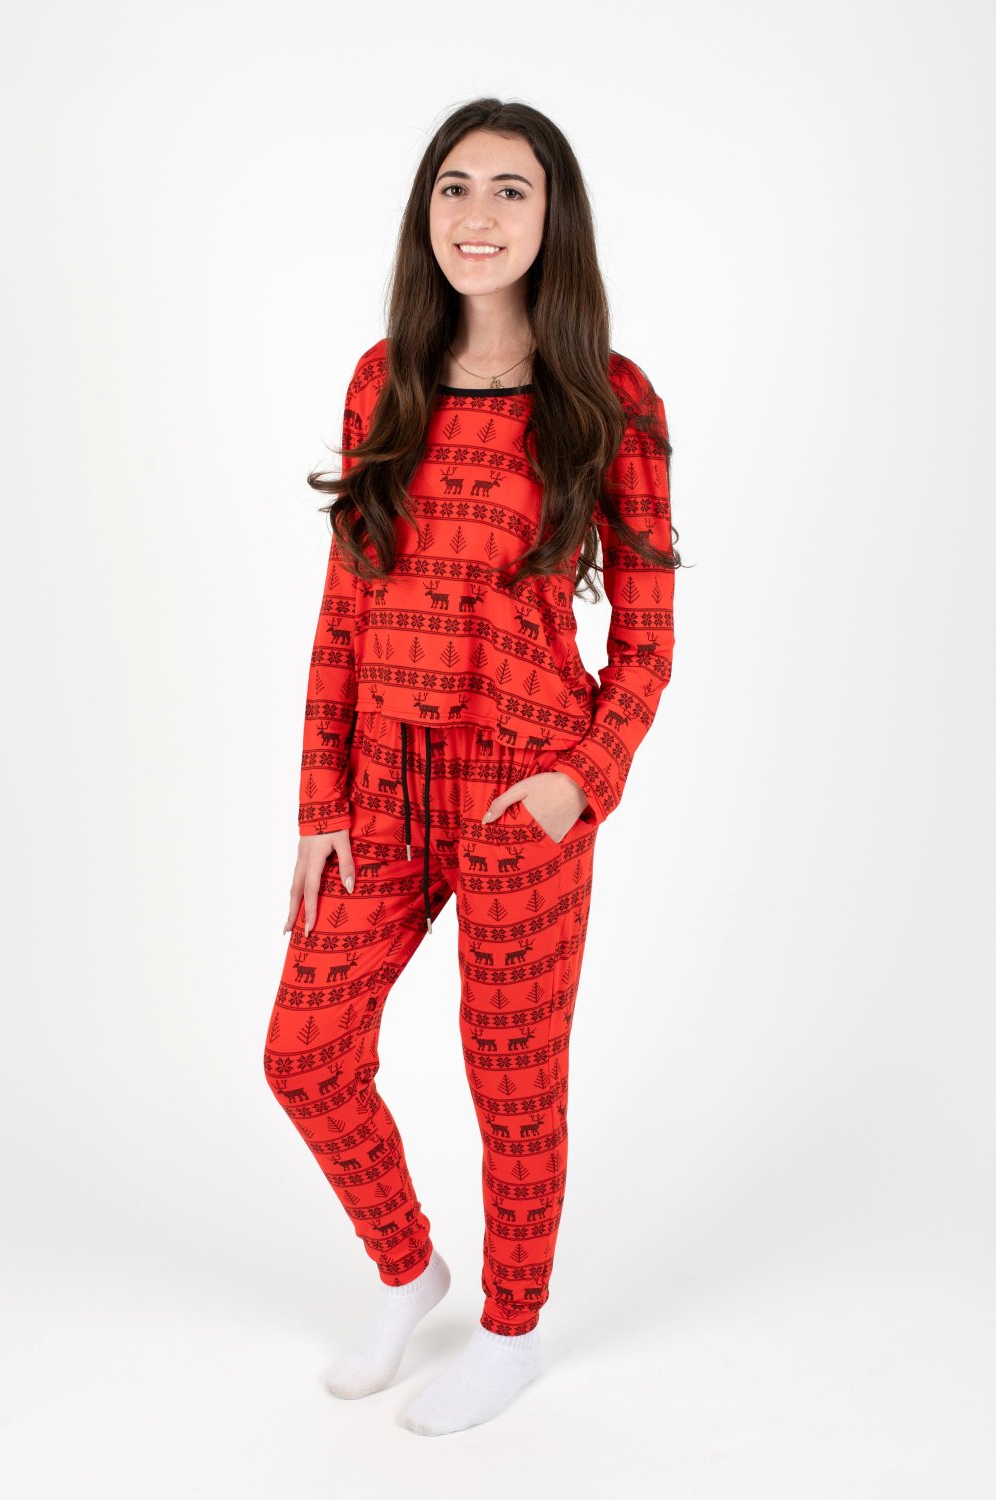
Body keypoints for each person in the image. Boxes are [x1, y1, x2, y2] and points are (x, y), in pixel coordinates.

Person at [264, 96, 681, 1436]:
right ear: (425, 213)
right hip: (381, 782)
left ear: (554, 218)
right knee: (305, 1052)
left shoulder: (612, 398)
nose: (479, 215)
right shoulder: (382, 376)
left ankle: (512, 1329)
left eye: (512, 189)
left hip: (522, 782)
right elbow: (344, 604)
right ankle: (409, 1269)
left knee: (512, 1076)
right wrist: (320, 803)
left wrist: (580, 780)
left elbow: (650, 636)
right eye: (455, 187)